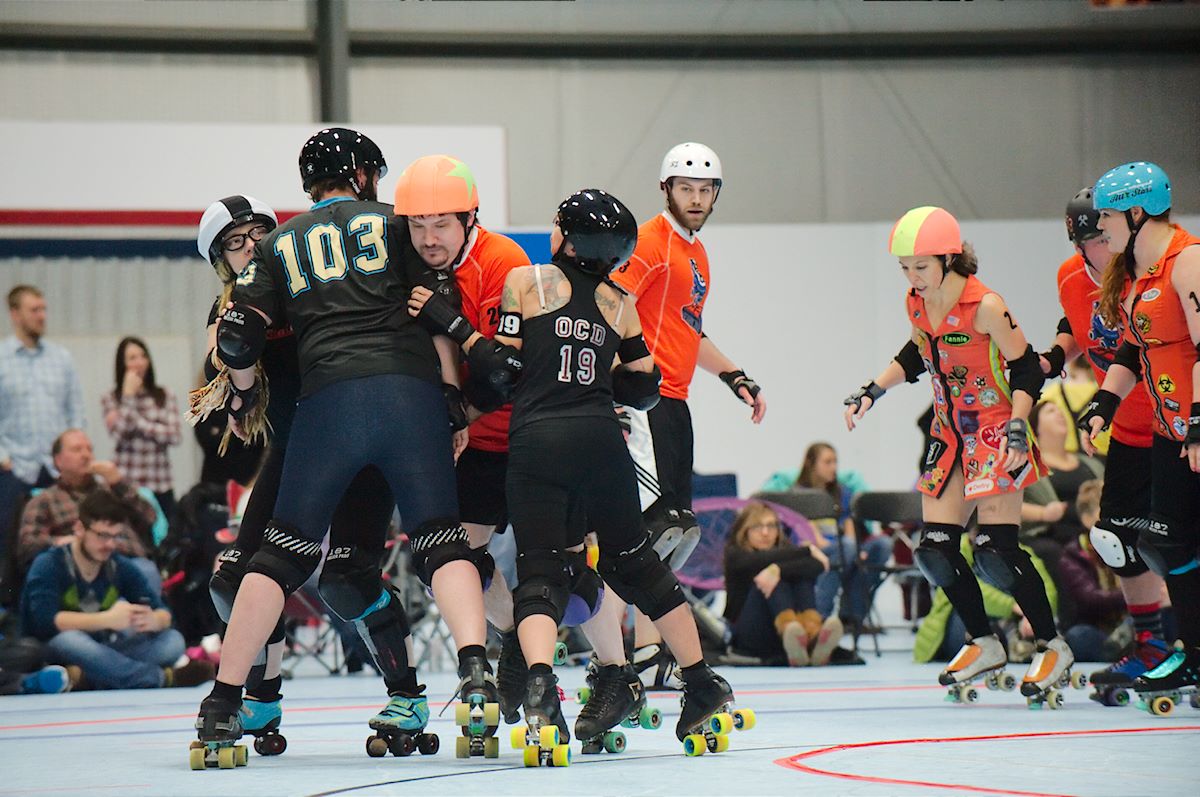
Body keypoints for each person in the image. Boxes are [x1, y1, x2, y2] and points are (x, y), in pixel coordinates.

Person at [192, 128, 489, 761]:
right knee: (441, 540)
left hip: (326, 415)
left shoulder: (279, 246)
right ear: (362, 174)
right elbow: (435, 307)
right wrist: (448, 397)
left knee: (279, 559)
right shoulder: (399, 222)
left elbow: (237, 340)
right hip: (407, 401)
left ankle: (223, 700)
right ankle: (475, 673)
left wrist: (240, 398)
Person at [486, 188, 746, 754]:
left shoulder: (525, 282)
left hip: (538, 441)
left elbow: (500, 370)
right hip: (601, 441)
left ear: (566, 238)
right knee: (638, 565)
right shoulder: (619, 301)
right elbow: (646, 387)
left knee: (540, 570)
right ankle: (702, 682)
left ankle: (539, 690)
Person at [399, 154, 633, 729]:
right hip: (479, 443)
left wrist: (460, 406)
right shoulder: (413, 265)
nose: (429, 239)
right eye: (418, 226)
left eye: (441, 225)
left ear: (468, 219)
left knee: (566, 571)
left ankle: (616, 672)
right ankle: (514, 640)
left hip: (534, 436)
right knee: (453, 558)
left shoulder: (502, 261)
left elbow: (510, 371)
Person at [844, 205, 1074, 703]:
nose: (912, 277)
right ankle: (984, 642)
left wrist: (1018, 426)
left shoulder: (985, 305)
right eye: (904, 267)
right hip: (949, 434)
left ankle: (1051, 644)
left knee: (995, 551)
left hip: (995, 432)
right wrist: (871, 390)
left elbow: (1026, 368)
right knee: (935, 550)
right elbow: (916, 353)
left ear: (949, 259)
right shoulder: (916, 302)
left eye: (921, 266)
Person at [608, 142, 767, 689]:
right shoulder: (650, 243)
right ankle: (633, 654)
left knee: (673, 534)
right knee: (648, 533)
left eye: (705, 190)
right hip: (643, 403)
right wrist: (615, 390)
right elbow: (609, 310)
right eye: (685, 189)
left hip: (675, 403)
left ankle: (651, 650)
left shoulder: (696, 253)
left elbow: (688, 330)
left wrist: (735, 376)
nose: (695, 199)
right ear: (666, 189)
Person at [1077, 162, 1200, 707]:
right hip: (1168, 430)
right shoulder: (1140, 274)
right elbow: (1133, 349)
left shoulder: (1187, 261)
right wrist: (1102, 405)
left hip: (1192, 428)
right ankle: (1192, 655)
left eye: (1105, 216)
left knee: (1179, 542)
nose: (1099, 227)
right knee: (1167, 542)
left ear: (1135, 212)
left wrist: (1199, 424)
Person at [1038, 186, 1169, 694]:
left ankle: (1185, 646)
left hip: (1175, 423)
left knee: (1177, 538)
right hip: (1128, 429)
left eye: (1113, 232)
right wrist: (1055, 356)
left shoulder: (1153, 269)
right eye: (1099, 238)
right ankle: (1152, 648)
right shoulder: (1070, 276)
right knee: (1115, 538)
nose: (1110, 245)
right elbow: (1077, 325)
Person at [20, 490, 212, 689]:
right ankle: (160, 679)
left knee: (173, 641)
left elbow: (163, 611)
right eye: (102, 535)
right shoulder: (49, 563)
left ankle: (85, 678)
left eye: (116, 536)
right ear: (79, 528)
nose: (110, 544)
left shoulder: (118, 565)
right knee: (70, 641)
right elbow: (45, 622)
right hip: (56, 647)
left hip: (103, 649)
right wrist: (106, 619)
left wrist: (155, 619)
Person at [1, 285, 85, 563]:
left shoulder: (61, 358)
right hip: (14, 468)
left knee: (61, 541)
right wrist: (3, 458)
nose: (42, 316)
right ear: (15, 314)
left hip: (55, 468)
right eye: (34, 310)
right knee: (9, 544)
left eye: (43, 309)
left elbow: (75, 412)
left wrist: (73, 455)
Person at [15, 429, 158, 588]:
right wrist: (60, 541)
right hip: (80, 566)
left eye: (89, 449)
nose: (86, 455)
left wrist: (119, 483)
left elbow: (150, 518)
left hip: (128, 560)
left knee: (147, 572)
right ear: (58, 460)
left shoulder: (112, 490)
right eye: (77, 449)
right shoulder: (45, 499)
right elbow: (28, 544)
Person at [722, 501, 835, 666]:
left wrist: (778, 569)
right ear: (745, 531)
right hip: (749, 632)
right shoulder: (735, 554)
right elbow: (759, 561)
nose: (765, 533)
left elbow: (817, 566)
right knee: (771, 580)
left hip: (776, 635)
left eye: (771, 526)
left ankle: (809, 632)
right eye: (757, 527)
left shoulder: (784, 551)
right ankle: (794, 631)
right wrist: (806, 550)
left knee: (800, 577)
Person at [793, 442, 892, 631]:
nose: (834, 467)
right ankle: (820, 617)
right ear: (811, 464)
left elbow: (849, 525)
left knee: (882, 544)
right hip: (814, 550)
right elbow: (809, 533)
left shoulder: (842, 492)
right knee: (845, 550)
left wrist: (855, 550)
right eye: (827, 462)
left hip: (844, 548)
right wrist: (849, 550)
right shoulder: (798, 495)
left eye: (835, 462)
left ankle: (851, 618)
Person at [1019, 401, 1105, 585]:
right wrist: (1043, 513)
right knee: (1055, 552)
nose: (1059, 414)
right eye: (1051, 411)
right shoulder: (1027, 467)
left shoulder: (1091, 462)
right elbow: (1006, 507)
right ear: (1035, 427)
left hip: (1094, 532)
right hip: (1054, 535)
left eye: (1060, 410)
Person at [101, 336, 181, 521]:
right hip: (127, 483)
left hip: (160, 482)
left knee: (165, 533)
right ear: (122, 364)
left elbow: (174, 436)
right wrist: (128, 396)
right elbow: (119, 433)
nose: (139, 362)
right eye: (132, 358)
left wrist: (138, 422)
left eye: (143, 356)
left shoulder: (164, 395)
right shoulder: (111, 398)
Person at [1058, 480, 1130, 663]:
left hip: (1133, 621)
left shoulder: (1131, 544)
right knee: (1078, 636)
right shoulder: (1073, 554)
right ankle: (1124, 651)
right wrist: (1135, 594)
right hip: (1097, 628)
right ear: (1086, 518)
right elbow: (1090, 599)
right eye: (1105, 512)